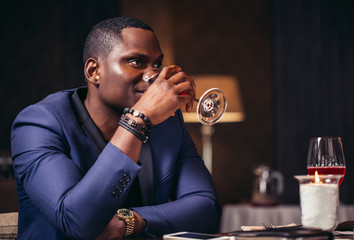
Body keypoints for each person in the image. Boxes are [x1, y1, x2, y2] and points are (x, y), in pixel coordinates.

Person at [11, 16, 221, 239]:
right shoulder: (38, 124)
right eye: (136, 62)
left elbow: (206, 208)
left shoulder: (168, 123)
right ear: (94, 71)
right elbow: (78, 222)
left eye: (157, 64)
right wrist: (138, 120)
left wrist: (130, 221)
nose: (154, 77)